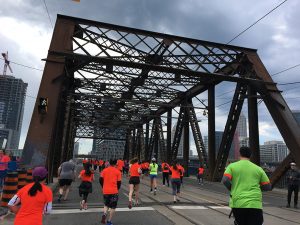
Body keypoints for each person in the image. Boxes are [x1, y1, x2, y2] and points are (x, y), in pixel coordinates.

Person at [222, 146, 272, 225]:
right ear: (250, 155)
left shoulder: (232, 166)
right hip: (255, 204)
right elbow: (268, 186)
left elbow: (225, 180)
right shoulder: (258, 169)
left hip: (238, 204)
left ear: (240, 154)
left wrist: (232, 188)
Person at [100, 159, 122, 225]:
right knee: (113, 206)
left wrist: (103, 186)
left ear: (109, 163)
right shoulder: (118, 172)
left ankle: (104, 214)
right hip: (114, 191)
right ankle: (109, 221)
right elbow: (119, 183)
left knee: (106, 204)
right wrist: (117, 189)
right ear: (116, 164)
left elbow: (100, 179)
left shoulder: (104, 170)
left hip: (105, 190)